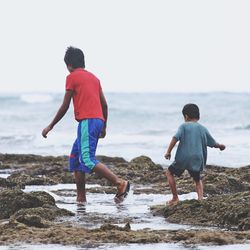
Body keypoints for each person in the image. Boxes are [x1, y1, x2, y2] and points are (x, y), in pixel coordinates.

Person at [42, 46, 130, 203]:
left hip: (87, 122)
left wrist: (50, 126)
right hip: (97, 121)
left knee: (87, 160)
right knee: (75, 160)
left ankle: (120, 183)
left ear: (68, 65)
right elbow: (105, 105)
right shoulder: (94, 78)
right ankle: (81, 199)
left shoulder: (72, 77)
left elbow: (65, 106)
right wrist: (104, 126)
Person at [164, 103, 225, 206]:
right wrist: (220, 146)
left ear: (186, 116)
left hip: (183, 158)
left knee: (169, 173)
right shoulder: (202, 128)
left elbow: (175, 138)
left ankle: (175, 197)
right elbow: (212, 142)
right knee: (197, 179)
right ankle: (200, 198)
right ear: (198, 116)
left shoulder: (183, 126)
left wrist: (168, 152)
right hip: (197, 158)